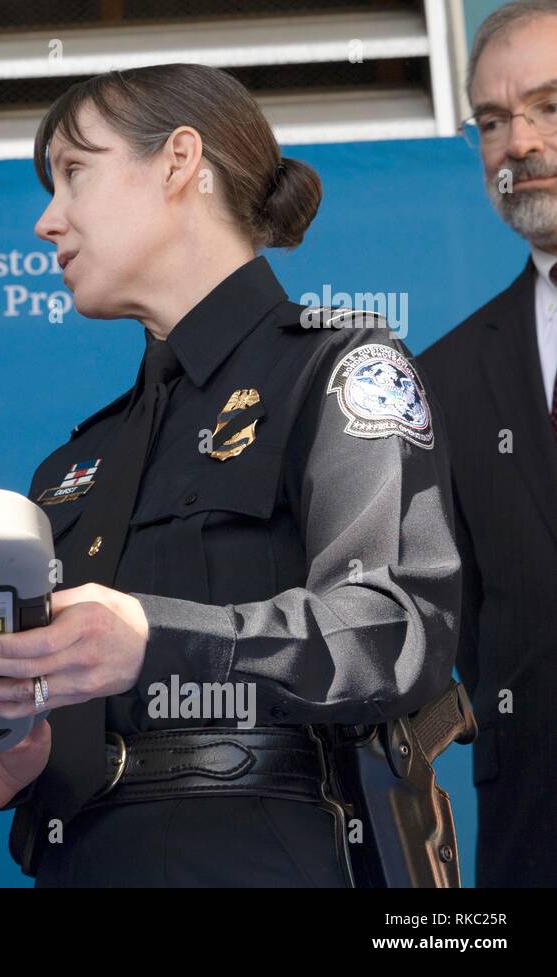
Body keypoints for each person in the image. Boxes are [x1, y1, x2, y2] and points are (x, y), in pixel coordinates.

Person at [0, 63, 461, 886]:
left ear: (179, 161)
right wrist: (35, 763)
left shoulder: (343, 367)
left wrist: (157, 637)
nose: (46, 220)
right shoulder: (73, 463)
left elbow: (394, 634)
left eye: (75, 173)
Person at [418, 0, 557, 887]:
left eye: (552, 108)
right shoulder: (447, 374)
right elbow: (460, 630)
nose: (520, 144)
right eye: (494, 121)